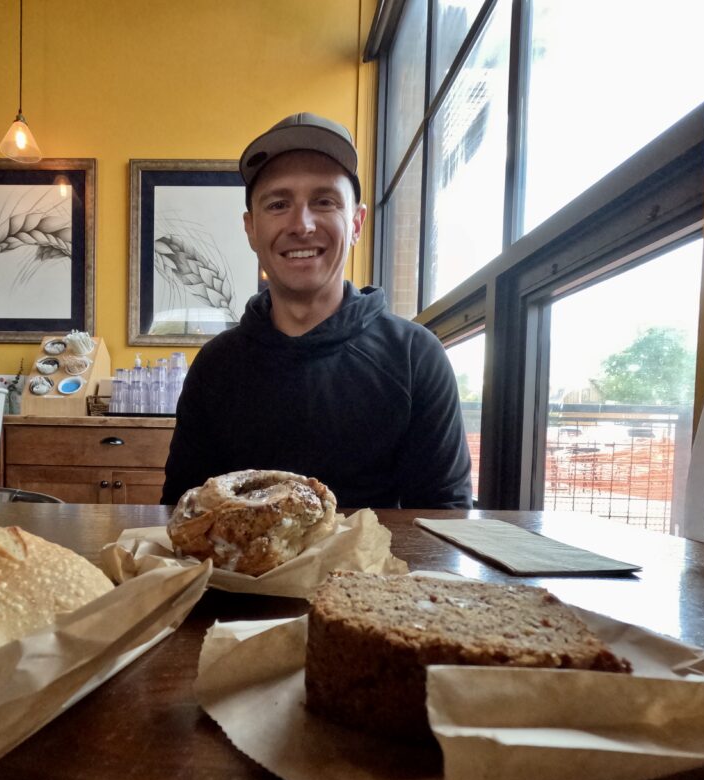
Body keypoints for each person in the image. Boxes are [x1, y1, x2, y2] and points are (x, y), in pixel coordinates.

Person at [160, 112, 472, 509]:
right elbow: (183, 510)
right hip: (238, 573)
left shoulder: (415, 356)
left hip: (379, 570)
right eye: (278, 204)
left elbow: (444, 516)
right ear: (251, 228)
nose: (301, 224)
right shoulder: (215, 366)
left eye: (324, 201)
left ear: (356, 222)